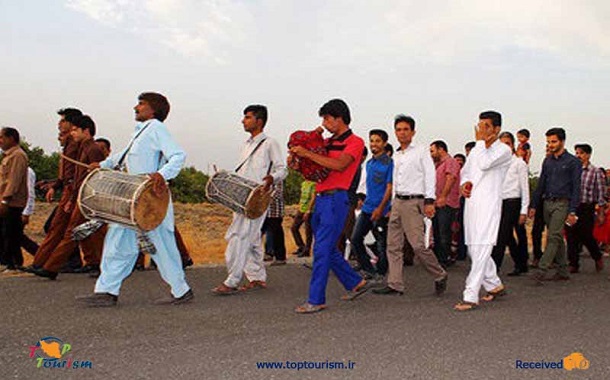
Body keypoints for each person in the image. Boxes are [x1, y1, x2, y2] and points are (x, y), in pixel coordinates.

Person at [79, 92, 193, 307]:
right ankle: (106, 291)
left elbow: (178, 155)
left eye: (141, 104)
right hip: (132, 201)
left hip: (150, 201)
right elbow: (122, 156)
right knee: (117, 245)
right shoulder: (140, 133)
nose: (136, 107)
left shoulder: (156, 128)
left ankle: (181, 290)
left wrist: (161, 174)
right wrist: (102, 165)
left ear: (153, 110)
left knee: (162, 248)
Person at [289, 99, 368, 313]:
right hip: (321, 198)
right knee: (327, 247)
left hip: (337, 199)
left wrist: (307, 153)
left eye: (326, 118)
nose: (324, 123)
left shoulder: (356, 142)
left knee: (322, 249)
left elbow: (340, 165)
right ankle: (354, 281)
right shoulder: (327, 142)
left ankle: (316, 299)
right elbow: (315, 168)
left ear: (338, 118)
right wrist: (298, 162)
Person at [212, 105, 287, 295]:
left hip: (257, 200)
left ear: (259, 121)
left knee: (241, 237)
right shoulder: (245, 145)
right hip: (241, 199)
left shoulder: (270, 143)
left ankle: (232, 280)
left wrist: (271, 178)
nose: (243, 121)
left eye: (247, 117)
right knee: (252, 239)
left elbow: (282, 170)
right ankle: (257, 278)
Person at [373, 115, 448, 297]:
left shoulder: (421, 151)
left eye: (406, 129)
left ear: (413, 132)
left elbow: (429, 175)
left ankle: (439, 274)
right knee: (393, 245)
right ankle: (395, 283)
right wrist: (391, 204)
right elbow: (395, 182)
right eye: (398, 129)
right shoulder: (397, 155)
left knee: (417, 245)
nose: (402, 133)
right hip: (398, 202)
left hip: (415, 202)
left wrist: (429, 201)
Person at [32, 115, 107, 280]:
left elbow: (93, 178)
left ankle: (51, 267)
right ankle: (96, 264)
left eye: (75, 130)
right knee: (87, 233)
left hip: (87, 198)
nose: (72, 133)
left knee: (74, 232)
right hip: (81, 196)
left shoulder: (92, 149)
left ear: (85, 131)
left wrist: (74, 199)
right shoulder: (83, 147)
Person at [454, 111, 511, 311]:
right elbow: (467, 171)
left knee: (481, 248)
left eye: (486, 126)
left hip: (489, 205)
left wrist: (479, 143)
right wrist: (465, 183)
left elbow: (485, 163)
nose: (482, 130)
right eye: (480, 125)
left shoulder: (503, 150)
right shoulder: (478, 150)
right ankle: (494, 285)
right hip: (472, 204)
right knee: (473, 247)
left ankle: (470, 295)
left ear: (497, 129)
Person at [26, 108, 82, 273]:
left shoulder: (76, 144)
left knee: (59, 229)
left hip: (73, 192)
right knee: (58, 229)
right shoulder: (70, 144)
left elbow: (74, 174)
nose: (59, 124)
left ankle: (46, 265)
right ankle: (44, 263)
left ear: (72, 124)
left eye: (63, 121)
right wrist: (54, 185)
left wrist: (70, 194)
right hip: (69, 191)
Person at [529, 127, 581, 283]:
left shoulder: (573, 162)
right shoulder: (548, 161)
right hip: (546, 203)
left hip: (563, 204)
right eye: (548, 142)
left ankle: (542, 269)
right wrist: (533, 205)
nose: (550, 145)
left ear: (562, 141)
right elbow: (541, 184)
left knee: (553, 236)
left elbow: (576, 188)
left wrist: (572, 211)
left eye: (553, 141)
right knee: (557, 236)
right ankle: (563, 271)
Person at [350, 129, 393, 281]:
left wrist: (382, 208)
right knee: (355, 239)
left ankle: (381, 274)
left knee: (382, 244)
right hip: (367, 208)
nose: (374, 144)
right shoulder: (368, 163)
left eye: (378, 141)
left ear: (384, 143)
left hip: (381, 209)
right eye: (372, 140)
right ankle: (369, 269)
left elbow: (389, 187)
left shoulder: (389, 163)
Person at [491, 132, 530, 275]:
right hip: (500, 202)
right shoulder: (497, 165)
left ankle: (495, 266)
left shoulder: (519, 163)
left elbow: (525, 188)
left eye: (507, 143)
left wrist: (524, 210)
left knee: (503, 235)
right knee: (507, 236)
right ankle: (520, 263)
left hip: (514, 202)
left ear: (512, 145)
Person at [566, 144, 606, 273]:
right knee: (571, 234)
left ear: (588, 155)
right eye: (576, 153)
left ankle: (597, 256)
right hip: (572, 206)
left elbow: (600, 194)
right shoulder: (571, 170)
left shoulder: (596, 172)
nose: (578, 156)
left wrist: (600, 213)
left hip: (587, 207)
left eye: (581, 153)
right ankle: (573, 263)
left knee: (586, 235)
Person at [0, 127, 29, 273]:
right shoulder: (8, 156)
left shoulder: (18, 156)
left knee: (10, 233)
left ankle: (12, 263)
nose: (0, 141)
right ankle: (10, 262)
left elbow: (14, 180)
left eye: (2, 137)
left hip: (12, 202)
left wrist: (5, 200)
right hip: (6, 200)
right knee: (8, 232)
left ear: (11, 138)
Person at [430, 140, 460, 268]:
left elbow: (451, 179)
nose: (431, 154)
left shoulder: (450, 162)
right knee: (437, 231)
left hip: (446, 203)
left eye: (432, 151)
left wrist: (443, 196)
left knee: (444, 232)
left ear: (441, 149)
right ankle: (438, 258)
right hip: (437, 202)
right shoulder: (438, 165)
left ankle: (444, 259)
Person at [262, 180, 287, 266]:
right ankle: (269, 253)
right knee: (264, 232)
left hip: (275, 211)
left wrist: (265, 198)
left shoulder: (277, 177)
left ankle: (280, 257)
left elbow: (278, 192)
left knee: (276, 234)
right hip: (266, 211)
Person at [291, 179, 315, 257]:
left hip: (309, 210)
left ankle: (307, 250)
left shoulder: (313, 184)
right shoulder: (304, 183)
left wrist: (309, 210)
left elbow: (313, 197)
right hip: (301, 209)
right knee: (294, 228)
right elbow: (302, 197)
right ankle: (301, 246)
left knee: (308, 231)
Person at [20, 167, 40, 256]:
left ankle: (39, 255)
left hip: (19, 209)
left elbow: (30, 193)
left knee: (16, 236)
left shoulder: (27, 171)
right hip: (10, 208)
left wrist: (26, 212)